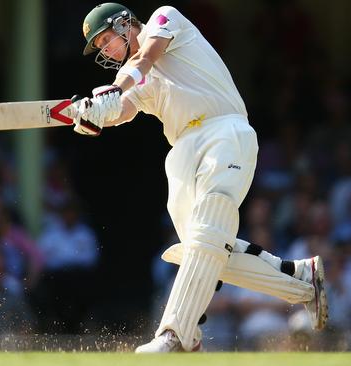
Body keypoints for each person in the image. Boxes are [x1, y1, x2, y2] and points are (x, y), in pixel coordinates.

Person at [76, 3, 328, 352]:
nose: (106, 49)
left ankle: (175, 335)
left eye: (106, 39)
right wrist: (92, 116)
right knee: (200, 248)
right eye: (101, 47)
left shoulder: (165, 20)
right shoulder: (136, 77)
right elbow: (125, 109)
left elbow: (146, 59)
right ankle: (302, 281)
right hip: (182, 150)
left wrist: (115, 89)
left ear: (125, 23)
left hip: (223, 129)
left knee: (209, 235)